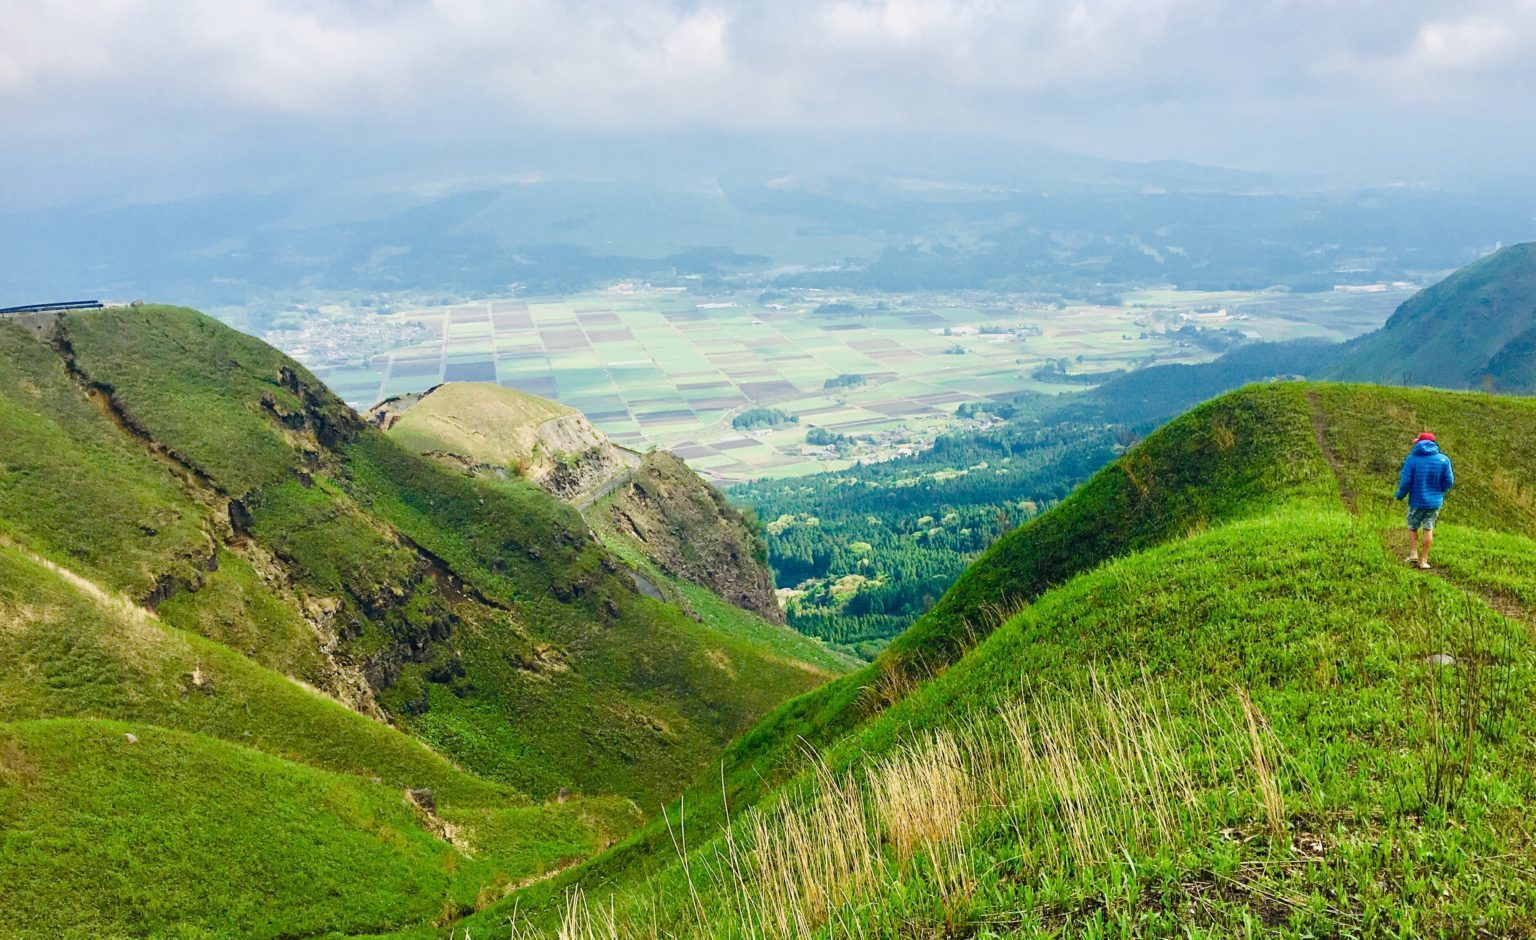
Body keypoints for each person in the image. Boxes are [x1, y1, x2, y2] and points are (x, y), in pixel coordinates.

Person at [1395, 432, 1453, 570]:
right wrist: (1440, 491)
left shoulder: (1412, 459)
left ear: (1419, 443)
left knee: (1412, 526)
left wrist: (1400, 495)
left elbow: (1406, 482)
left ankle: (1413, 553)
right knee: (1428, 528)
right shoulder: (1444, 460)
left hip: (1416, 501)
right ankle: (1424, 561)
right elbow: (1449, 481)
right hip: (1434, 502)